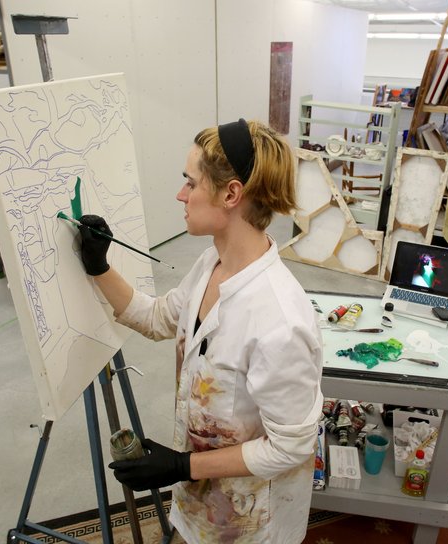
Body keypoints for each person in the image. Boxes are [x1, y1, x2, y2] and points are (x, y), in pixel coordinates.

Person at [77, 118, 324, 543]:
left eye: (190, 183)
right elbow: (157, 318)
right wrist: (99, 267)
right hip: (204, 498)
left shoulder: (280, 322)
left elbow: (290, 447)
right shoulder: (211, 265)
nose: (180, 195)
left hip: (250, 518)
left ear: (231, 194)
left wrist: (180, 466)